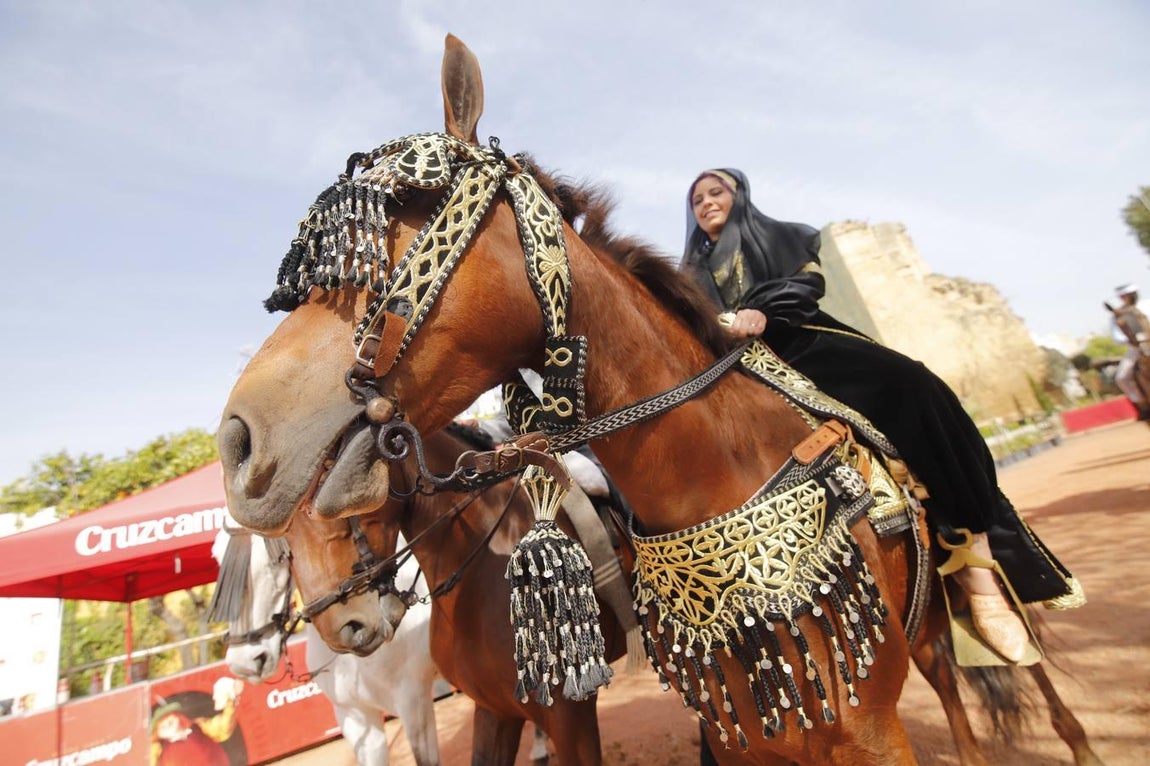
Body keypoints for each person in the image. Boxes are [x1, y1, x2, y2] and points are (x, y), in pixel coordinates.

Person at [680, 168, 1081, 665]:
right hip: (737, 371)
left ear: (739, 196)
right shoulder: (685, 274)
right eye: (697, 198)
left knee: (912, 384)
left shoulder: (782, 236)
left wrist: (762, 311)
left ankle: (975, 563)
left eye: (715, 191)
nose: (706, 202)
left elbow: (803, 287)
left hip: (797, 343)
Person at [1109, 283, 1150, 420]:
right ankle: (1141, 403)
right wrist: (1130, 341)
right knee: (1122, 377)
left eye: (1133, 294)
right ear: (1122, 297)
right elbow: (1117, 336)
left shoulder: (1146, 305)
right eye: (1127, 295)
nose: (1132, 297)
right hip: (1135, 348)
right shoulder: (1117, 315)